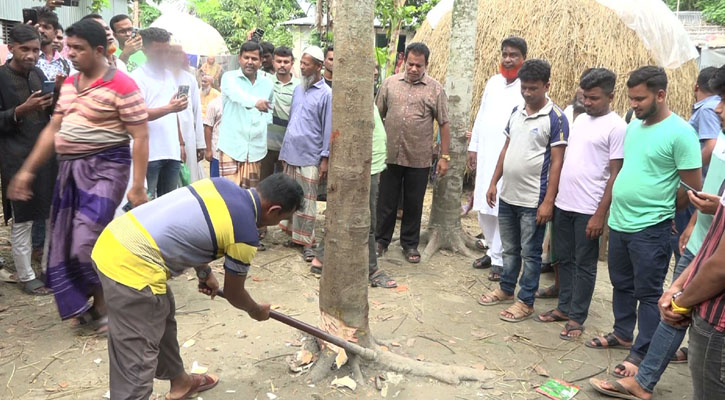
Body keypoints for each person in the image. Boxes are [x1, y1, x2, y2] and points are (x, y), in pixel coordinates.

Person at [91, 174, 303, 400]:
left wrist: (204, 272)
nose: (277, 224)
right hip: (131, 266)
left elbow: (186, 224)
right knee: (137, 356)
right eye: (282, 219)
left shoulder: (220, 184)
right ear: (274, 210)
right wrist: (255, 310)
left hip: (115, 239)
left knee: (161, 312)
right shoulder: (245, 235)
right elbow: (234, 292)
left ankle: (181, 382)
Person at [589, 63, 725, 400]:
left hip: (652, 227)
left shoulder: (680, 133)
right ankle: (623, 333)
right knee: (621, 283)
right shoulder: (634, 124)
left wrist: (663, 211)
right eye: (631, 98)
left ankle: (640, 354)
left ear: (660, 95)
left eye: (640, 98)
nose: (633, 104)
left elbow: (691, 188)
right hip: (621, 221)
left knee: (650, 294)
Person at [7, 19, 149, 329]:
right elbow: (53, 129)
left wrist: (137, 186)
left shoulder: (123, 84)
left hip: (106, 169)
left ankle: (112, 303)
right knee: (68, 243)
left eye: (77, 48)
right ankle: (98, 305)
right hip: (69, 170)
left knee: (86, 240)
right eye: (68, 46)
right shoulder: (69, 85)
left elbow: (140, 136)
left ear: (99, 51)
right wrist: (27, 171)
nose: (69, 53)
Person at [534, 68, 625, 339]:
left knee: (584, 263)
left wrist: (600, 214)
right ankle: (564, 308)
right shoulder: (579, 119)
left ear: (611, 96)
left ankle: (577, 317)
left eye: (594, 98)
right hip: (564, 203)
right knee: (563, 258)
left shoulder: (617, 127)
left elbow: (615, 173)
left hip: (589, 209)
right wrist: (552, 199)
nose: (587, 102)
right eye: (584, 96)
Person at [478, 59, 569, 323]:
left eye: (533, 88)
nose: (528, 93)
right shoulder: (517, 112)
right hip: (508, 195)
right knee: (509, 248)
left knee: (530, 253)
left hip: (533, 200)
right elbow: (506, 148)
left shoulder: (556, 118)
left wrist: (548, 201)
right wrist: (494, 181)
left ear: (546, 86)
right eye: (524, 88)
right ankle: (507, 289)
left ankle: (526, 300)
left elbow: (557, 162)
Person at [310, 67, 397, 288]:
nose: (374, 73)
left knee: (347, 213)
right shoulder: (350, 98)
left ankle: (321, 257)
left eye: (375, 70)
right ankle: (371, 269)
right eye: (371, 69)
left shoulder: (365, 95)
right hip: (362, 167)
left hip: (372, 165)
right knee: (365, 220)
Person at [375, 42, 451, 264]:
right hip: (390, 155)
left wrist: (444, 157)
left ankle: (409, 244)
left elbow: (444, 123)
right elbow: (376, 116)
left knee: (413, 202)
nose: (414, 69)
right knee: (386, 201)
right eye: (411, 64)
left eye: (419, 65)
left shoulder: (435, 89)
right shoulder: (389, 84)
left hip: (419, 158)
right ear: (404, 61)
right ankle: (381, 240)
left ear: (426, 64)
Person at [0, 25, 57, 295]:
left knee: (47, 216)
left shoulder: (37, 73)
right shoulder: (0, 77)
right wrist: (22, 110)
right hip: (16, 159)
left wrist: (54, 97)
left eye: (35, 50)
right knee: (23, 220)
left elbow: (51, 114)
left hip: (44, 156)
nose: (31, 55)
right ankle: (26, 275)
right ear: (11, 48)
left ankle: (47, 269)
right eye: (25, 49)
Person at [467, 36, 526, 282]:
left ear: (523, 59)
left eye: (513, 55)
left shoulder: (526, 86)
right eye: (505, 54)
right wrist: (474, 148)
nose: (508, 59)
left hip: (509, 157)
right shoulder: (492, 82)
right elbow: (481, 116)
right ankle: (491, 250)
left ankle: (501, 260)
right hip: (486, 153)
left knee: (502, 207)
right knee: (483, 205)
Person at [278, 46, 332, 261]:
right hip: (290, 152)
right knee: (291, 197)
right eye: (301, 63)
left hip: (310, 155)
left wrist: (325, 158)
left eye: (306, 64)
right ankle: (294, 235)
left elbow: (328, 128)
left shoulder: (327, 94)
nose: (301, 67)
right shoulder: (298, 89)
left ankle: (307, 242)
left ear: (319, 67)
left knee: (308, 201)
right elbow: (293, 120)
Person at [132, 27, 188, 199]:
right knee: (145, 203)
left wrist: (180, 143)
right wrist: (169, 108)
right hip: (149, 154)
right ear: (145, 50)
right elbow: (137, 114)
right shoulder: (136, 77)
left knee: (168, 203)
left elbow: (175, 112)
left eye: (167, 51)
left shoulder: (170, 76)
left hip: (171, 151)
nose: (164, 56)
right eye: (159, 52)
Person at [218, 41, 273, 190]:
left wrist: (261, 126)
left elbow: (269, 111)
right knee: (229, 195)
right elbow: (237, 95)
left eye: (254, 59)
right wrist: (256, 102)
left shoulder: (268, 84)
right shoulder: (229, 78)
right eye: (246, 57)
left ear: (261, 61)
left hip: (255, 149)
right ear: (239, 58)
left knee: (250, 197)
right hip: (231, 146)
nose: (250, 62)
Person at [261, 46, 299, 180]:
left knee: (283, 187)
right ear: (273, 62)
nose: (282, 65)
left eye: (286, 62)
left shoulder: (299, 87)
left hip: (288, 147)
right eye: (279, 61)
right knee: (263, 184)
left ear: (292, 63)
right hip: (265, 145)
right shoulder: (265, 81)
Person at [170, 43, 206, 183]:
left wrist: (200, 143)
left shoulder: (189, 79)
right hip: (167, 137)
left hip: (188, 136)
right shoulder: (160, 78)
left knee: (188, 177)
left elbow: (197, 112)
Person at [204, 96, 222, 178]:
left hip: (235, 153)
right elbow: (208, 127)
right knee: (216, 183)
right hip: (217, 152)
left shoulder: (240, 103)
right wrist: (208, 150)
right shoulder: (214, 104)